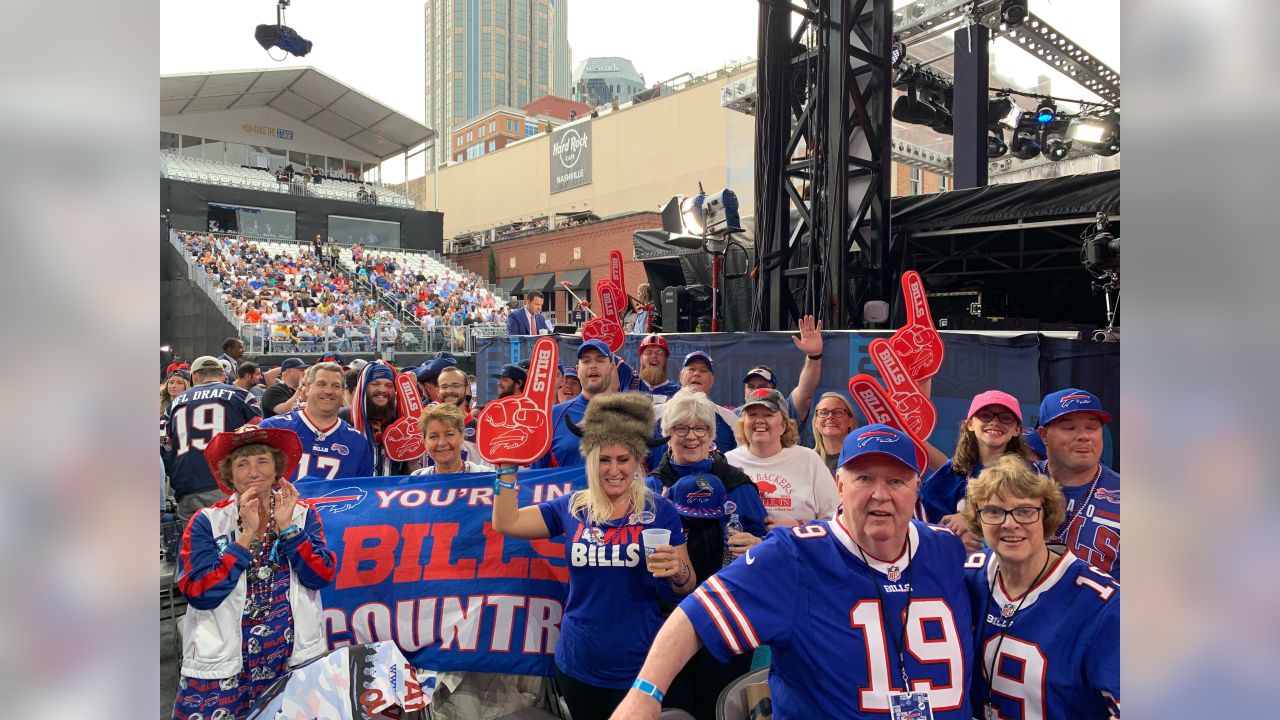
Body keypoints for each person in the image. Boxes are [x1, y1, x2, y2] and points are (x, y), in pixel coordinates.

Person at [609, 424, 971, 719]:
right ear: (839, 485)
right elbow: (696, 613)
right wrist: (645, 693)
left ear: (915, 489)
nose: (880, 494)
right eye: (864, 479)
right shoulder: (795, 553)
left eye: (896, 481)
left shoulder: (946, 549)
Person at [492, 393, 695, 720]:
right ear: (591, 460)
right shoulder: (572, 507)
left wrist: (678, 570)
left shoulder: (662, 511)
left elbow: (687, 585)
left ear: (637, 461)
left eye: (623, 459)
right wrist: (506, 471)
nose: (614, 470)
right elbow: (507, 521)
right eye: (604, 459)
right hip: (578, 663)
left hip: (641, 663)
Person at [170, 425, 337, 720]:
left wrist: (289, 530)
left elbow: (320, 576)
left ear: (277, 470)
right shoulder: (207, 521)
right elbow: (199, 592)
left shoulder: (303, 514)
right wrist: (244, 539)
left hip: (291, 657)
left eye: (262, 461)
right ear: (230, 476)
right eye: (242, 464)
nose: (253, 471)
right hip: (223, 662)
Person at [960, 455, 1120, 720]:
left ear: (1046, 514)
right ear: (977, 519)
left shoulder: (1102, 605)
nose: (1009, 523)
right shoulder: (968, 577)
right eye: (993, 511)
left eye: (1024, 510)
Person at [643, 389, 768, 718]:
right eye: (681, 428)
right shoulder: (653, 488)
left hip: (727, 616)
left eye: (700, 428)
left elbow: (767, 544)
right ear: (668, 435)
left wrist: (758, 546)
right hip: (668, 617)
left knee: (721, 703)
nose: (691, 436)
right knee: (675, 706)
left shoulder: (738, 483)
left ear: (712, 435)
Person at [920, 390, 1032, 551]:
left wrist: (971, 518)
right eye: (985, 415)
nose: (995, 422)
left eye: (1006, 418)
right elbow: (925, 524)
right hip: (959, 568)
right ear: (970, 424)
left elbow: (1034, 520)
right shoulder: (952, 472)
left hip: (1009, 566)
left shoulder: (1030, 474)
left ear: (1017, 430)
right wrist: (952, 537)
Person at [166, 356, 263, 524]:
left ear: (194, 376)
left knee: (195, 542)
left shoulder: (176, 403)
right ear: (223, 376)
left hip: (186, 483)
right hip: (226, 480)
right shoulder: (241, 395)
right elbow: (259, 433)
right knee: (233, 540)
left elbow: (170, 442)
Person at [1035, 388, 1120, 579]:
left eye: (1092, 427)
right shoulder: (1018, 481)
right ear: (1043, 435)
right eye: (1069, 428)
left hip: (1101, 606)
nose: (1084, 436)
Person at [725, 388, 838, 528]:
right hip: (741, 548)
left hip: (796, 548)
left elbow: (836, 520)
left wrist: (798, 527)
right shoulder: (728, 462)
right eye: (752, 415)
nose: (759, 420)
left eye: (768, 415)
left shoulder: (808, 460)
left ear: (783, 426)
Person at [259, 362, 374, 481]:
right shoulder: (272, 429)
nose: (329, 391)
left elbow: (363, 492)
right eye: (321, 384)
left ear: (343, 391)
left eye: (336, 386)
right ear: (307, 388)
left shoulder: (356, 441)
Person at [734, 316, 824, 448]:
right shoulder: (732, 416)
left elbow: (805, 390)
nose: (756, 390)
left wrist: (814, 356)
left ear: (774, 390)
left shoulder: (786, 409)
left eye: (762, 386)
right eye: (750, 386)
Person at [533, 339, 616, 469]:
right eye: (586, 361)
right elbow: (536, 478)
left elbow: (656, 476)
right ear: (578, 369)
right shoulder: (552, 416)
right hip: (567, 489)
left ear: (612, 368)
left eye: (600, 360)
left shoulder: (634, 413)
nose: (593, 365)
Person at [648, 351, 739, 468]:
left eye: (703, 370)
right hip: (662, 485)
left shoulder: (729, 418)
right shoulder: (654, 414)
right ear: (681, 377)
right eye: (691, 369)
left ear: (712, 380)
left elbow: (740, 459)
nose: (696, 374)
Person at [811, 391, 857, 476]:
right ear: (816, 422)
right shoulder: (808, 461)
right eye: (824, 412)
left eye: (838, 412)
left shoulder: (862, 458)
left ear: (850, 421)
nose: (830, 416)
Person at [631, 334, 679, 400]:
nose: (654, 356)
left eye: (659, 353)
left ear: (665, 359)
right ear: (641, 359)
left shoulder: (677, 392)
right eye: (649, 352)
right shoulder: (629, 381)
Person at [160, 368, 191, 452]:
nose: (173, 386)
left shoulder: (188, 406)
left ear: (186, 386)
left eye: (179, 383)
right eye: (171, 382)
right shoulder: (160, 403)